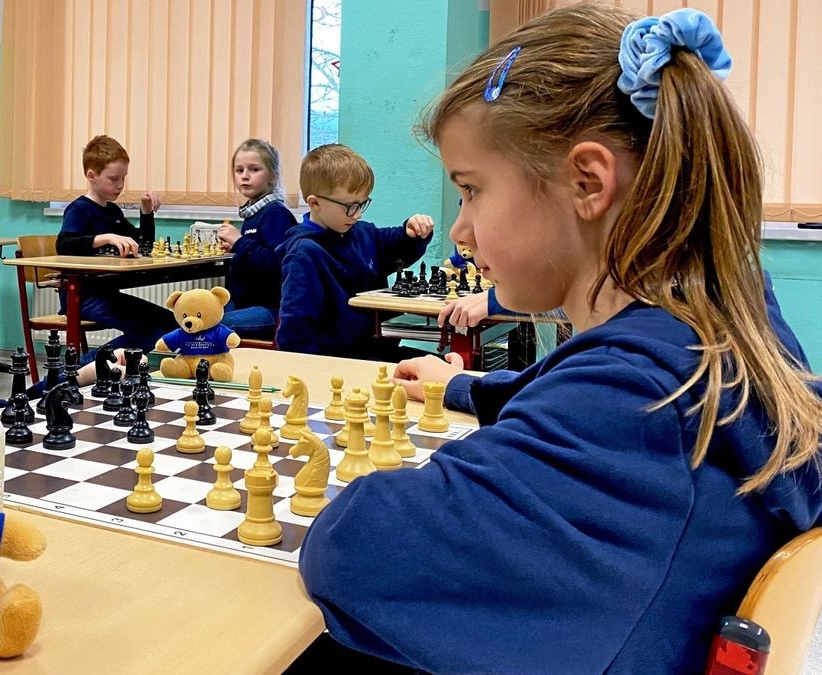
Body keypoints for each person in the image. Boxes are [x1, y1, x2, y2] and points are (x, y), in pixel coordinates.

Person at [297, 6, 822, 674]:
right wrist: (463, 385)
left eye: (471, 190)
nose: (459, 230)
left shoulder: (634, 402)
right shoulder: (720, 327)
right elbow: (580, 387)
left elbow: (354, 552)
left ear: (587, 183)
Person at [275, 144, 435, 360]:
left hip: (377, 349)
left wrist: (412, 232)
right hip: (340, 362)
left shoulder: (361, 232)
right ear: (315, 203)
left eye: (362, 204)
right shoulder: (304, 254)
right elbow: (295, 331)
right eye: (350, 206)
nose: (357, 214)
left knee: (445, 368)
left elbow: (396, 246)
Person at [55, 135, 176, 354]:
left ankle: (97, 366)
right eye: (114, 178)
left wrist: (146, 211)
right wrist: (106, 237)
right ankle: (82, 371)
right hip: (83, 299)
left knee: (169, 324)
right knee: (157, 328)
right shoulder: (78, 209)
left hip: (108, 296)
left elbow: (143, 244)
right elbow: (64, 244)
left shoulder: (113, 211)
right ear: (91, 176)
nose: (120, 185)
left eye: (123, 178)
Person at [216, 138, 298, 338]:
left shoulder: (276, 214)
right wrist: (236, 250)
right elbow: (253, 257)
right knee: (196, 315)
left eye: (254, 170)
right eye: (239, 170)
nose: (245, 176)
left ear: (272, 177)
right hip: (244, 303)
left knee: (208, 326)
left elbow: (277, 265)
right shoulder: (252, 214)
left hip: (270, 309)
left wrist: (241, 243)